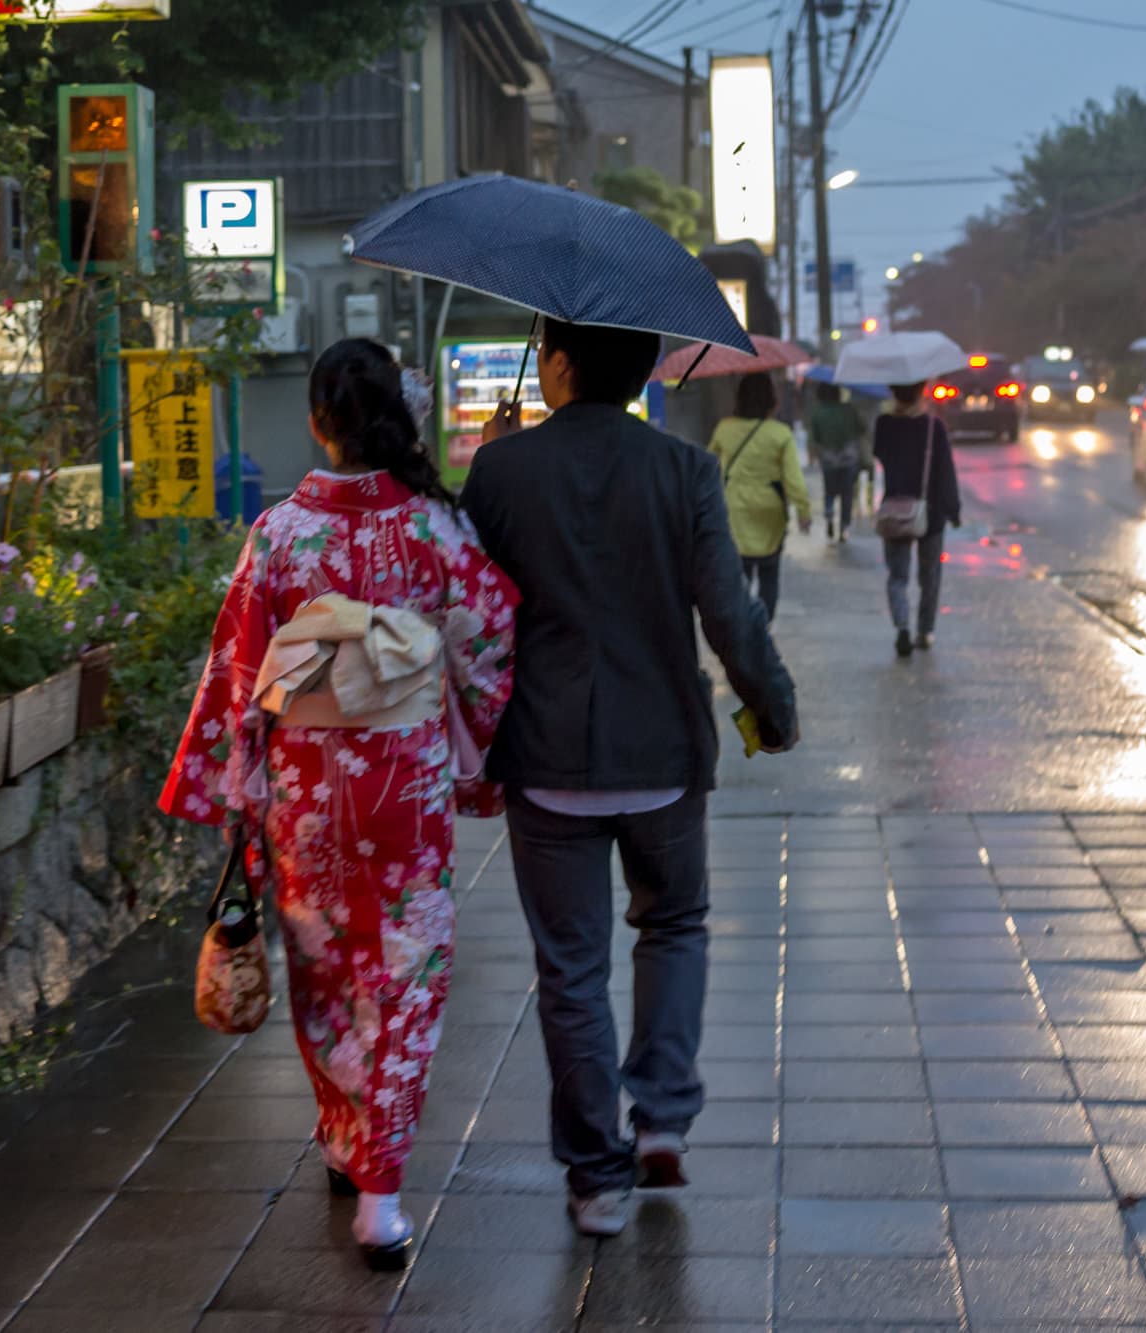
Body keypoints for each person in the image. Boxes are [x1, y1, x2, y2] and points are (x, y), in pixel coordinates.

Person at [160, 339, 519, 1271]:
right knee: (404, 975)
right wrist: (474, 759)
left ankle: (339, 1137)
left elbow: (240, 668)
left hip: (307, 795)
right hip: (403, 786)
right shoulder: (438, 527)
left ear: (319, 420)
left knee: (326, 975)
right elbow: (487, 638)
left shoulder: (281, 533)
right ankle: (383, 1192)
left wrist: (234, 786)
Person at [463, 319, 798, 1239]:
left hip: (545, 757)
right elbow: (729, 612)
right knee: (676, 924)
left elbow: (468, 608)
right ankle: (661, 1115)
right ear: (648, 369)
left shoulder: (501, 472)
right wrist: (774, 706)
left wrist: (491, 469)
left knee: (570, 970)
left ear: (559, 365)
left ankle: (595, 1177)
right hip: (663, 756)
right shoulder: (685, 468)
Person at [705, 372, 811, 621]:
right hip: (770, 512)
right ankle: (763, 626)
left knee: (739, 576)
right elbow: (793, 480)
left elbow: (708, 468)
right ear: (771, 400)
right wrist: (803, 512)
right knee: (769, 574)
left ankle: (742, 627)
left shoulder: (725, 428)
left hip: (733, 510)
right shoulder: (780, 433)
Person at [874, 381, 963, 657]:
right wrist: (953, 509)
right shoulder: (933, 427)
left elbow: (879, 453)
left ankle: (902, 627)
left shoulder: (884, 424)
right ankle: (925, 631)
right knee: (930, 576)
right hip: (931, 513)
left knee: (897, 575)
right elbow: (945, 471)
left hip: (895, 510)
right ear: (922, 391)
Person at [807, 382, 864, 540]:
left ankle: (829, 513)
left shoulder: (818, 412)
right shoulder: (848, 409)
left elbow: (815, 438)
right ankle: (844, 526)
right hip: (848, 459)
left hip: (828, 459)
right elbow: (861, 429)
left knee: (829, 490)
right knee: (847, 493)